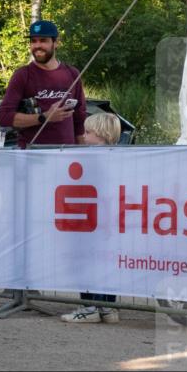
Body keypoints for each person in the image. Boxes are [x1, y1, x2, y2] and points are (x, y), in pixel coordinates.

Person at [61, 111, 122, 324]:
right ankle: (107, 307)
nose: (84, 137)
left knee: (88, 262)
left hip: (92, 220)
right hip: (106, 220)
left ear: (101, 133)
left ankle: (91, 306)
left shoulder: (93, 160)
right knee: (105, 261)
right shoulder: (117, 157)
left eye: (88, 132)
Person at [0, 20, 87, 148]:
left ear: (56, 43)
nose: (37, 45)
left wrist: (82, 153)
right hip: (33, 157)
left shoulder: (72, 74)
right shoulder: (22, 75)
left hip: (67, 156)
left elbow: (80, 119)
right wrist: (44, 117)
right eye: (33, 41)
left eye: (43, 40)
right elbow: (4, 117)